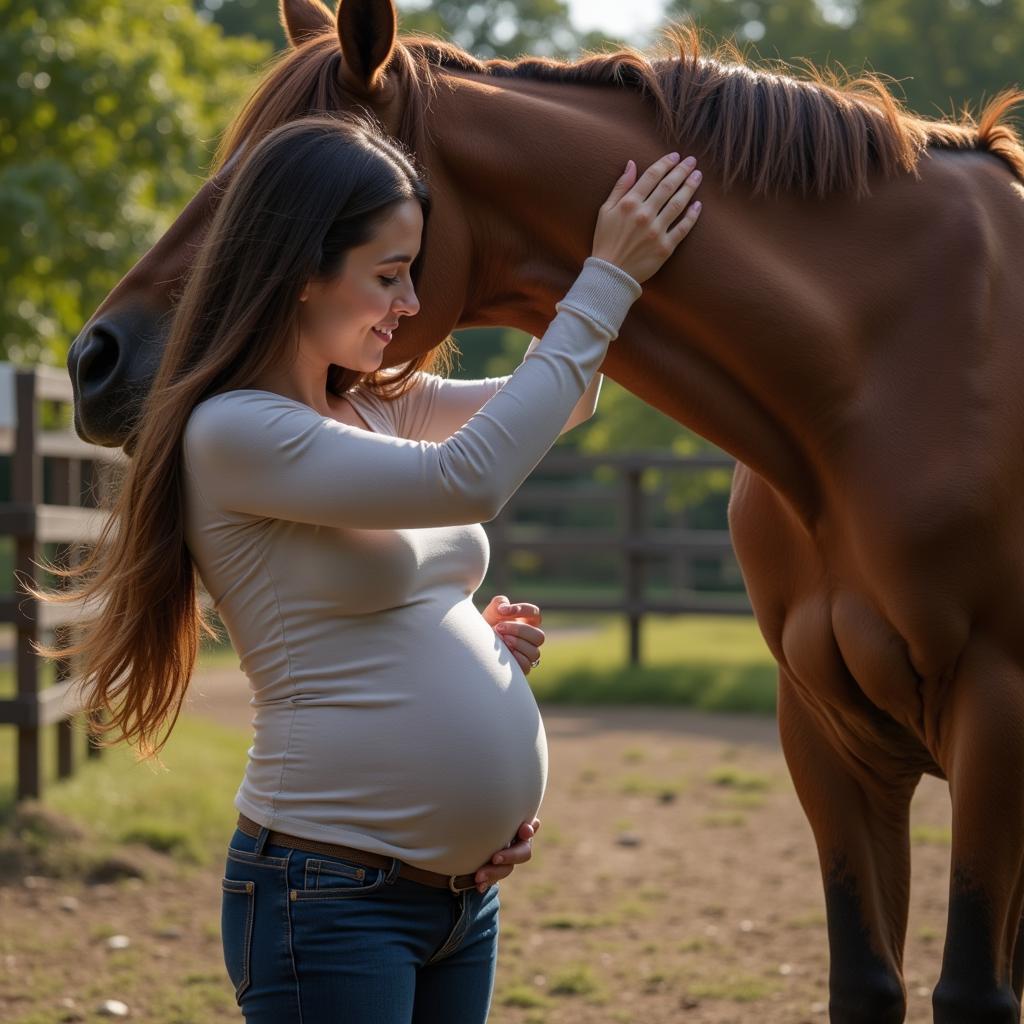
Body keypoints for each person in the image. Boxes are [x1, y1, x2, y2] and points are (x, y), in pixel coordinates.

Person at [28, 111, 702, 1022]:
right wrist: (606, 276)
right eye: (388, 276)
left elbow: (567, 394)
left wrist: (464, 638)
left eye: (412, 274)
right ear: (301, 273)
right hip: (329, 895)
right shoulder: (234, 432)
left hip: (459, 898)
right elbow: (476, 474)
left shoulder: (378, 404)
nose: (411, 304)